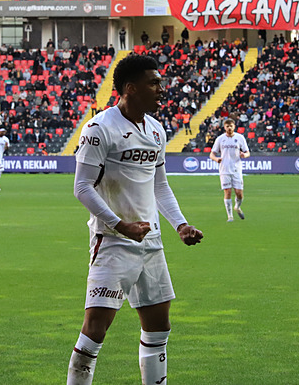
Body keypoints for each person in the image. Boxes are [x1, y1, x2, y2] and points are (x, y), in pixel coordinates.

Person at [66, 54, 203, 385]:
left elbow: (159, 185)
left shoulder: (156, 129)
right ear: (130, 88)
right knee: (95, 329)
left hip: (151, 243)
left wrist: (180, 224)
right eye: (153, 82)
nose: (161, 88)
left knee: (158, 326)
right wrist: (120, 225)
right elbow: (81, 187)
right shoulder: (99, 129)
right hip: (114, 242)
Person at [210, 118, 250, 221]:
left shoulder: (240, 138)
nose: (229, 128)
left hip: (236, 169)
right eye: (227, 126)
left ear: (234, 127)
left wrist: (244, 155)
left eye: (231, 126)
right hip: (224, 169)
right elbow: (212, 154)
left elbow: (247, 152)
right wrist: (216, 159)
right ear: (224, 127)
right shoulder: (220, 139)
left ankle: (237, 206)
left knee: (239, 193)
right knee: (227, 192)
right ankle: (230, 216)